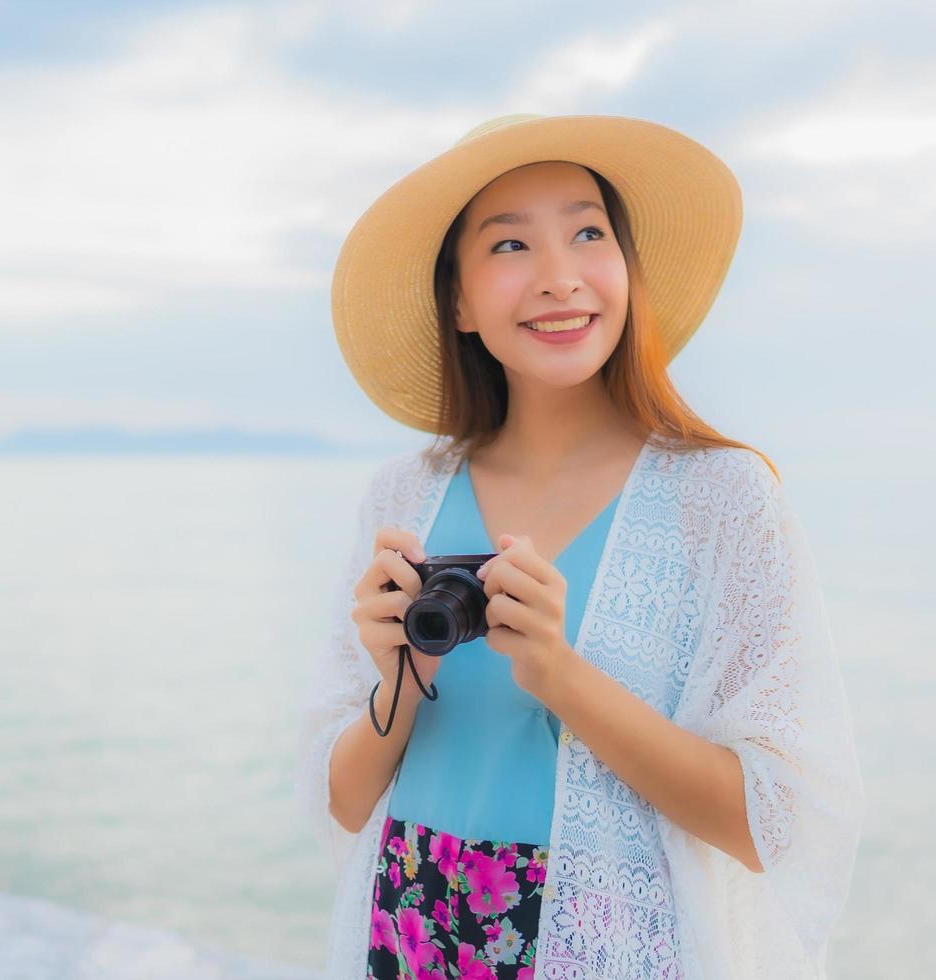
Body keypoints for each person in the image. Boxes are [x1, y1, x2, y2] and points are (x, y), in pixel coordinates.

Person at [291, 113, 867, 980]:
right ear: (457, 299)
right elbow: (343, 800)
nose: (560, 278)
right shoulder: (406, 495)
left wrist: (563, 677)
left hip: (609, 943)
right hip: (409, 924)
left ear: (627, 270)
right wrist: (400, 679)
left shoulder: (721, 499)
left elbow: (775, 822)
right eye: (510, 246)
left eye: (588, 232)